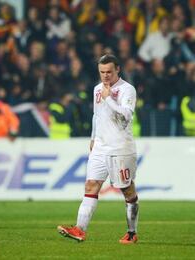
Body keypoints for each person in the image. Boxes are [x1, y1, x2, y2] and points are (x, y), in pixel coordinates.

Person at [58, 54, 139, 244]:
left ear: (118, 69)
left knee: (127, 190)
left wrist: (109, 98)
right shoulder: (97, 89)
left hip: (120, 148)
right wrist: (93, 137)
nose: (105, 76)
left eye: (109, 72)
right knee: (91, 185)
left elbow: (126, 116)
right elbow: (97, 115)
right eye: (102, 72)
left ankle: (132, 233)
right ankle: (79, 229)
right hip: (100, 147)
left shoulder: (127, 90)